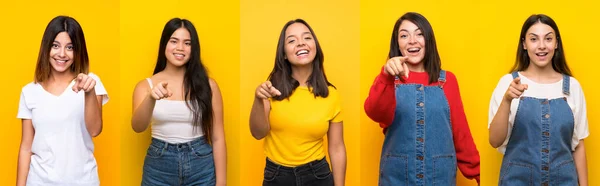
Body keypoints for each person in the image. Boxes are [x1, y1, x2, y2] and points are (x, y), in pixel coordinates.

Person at [364, 12, 480, 186]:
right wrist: (386, 76)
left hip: (440, 178)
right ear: (398, 44)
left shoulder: (448, 81)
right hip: (396, 178)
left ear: (429, 40)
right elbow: (375, 112)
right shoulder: (388, 81)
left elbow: (461, 133)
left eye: (419, 34)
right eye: (404, 35)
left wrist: (479, 174)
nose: (412, 40)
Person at [488, 14, 588, 186]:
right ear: (524, 44)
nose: (542, 46)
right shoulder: (508, 83)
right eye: (534, 39)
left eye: (548, 39)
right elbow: (494, 141)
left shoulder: (572, 87)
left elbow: (578, 145)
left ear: (556, 43)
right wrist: (507, 100)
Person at [249, 19, 347, 186]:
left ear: (315, 46)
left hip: (318, 175)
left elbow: (337, 148)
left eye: (307, 38)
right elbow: (258, 133)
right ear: (284, 54)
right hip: (277, 176)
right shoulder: (270, 89)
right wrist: (258, 99)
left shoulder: (331, 94)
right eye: (292, 40)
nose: (301, 43)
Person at [131, 18, 226, 186]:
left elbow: (218, 137)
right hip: (159, 167)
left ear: (193, 49)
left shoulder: (209, 86)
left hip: (201, 166)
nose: (180, 48)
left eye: (187, 43)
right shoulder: (146, 86)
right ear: (164, 45)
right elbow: (138, 127)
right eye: (174, 41)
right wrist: (151, 98)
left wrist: (222, 183)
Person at [17, 15, 109, 186]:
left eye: (70, 47)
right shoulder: (29, 92)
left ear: (78, 50)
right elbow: (26, 147)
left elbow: (95, 129)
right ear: (47, 48)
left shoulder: (90, 82)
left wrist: (89, 92)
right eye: (55, 46)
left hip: (83, 181)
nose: (62, 54)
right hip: (38, 181)